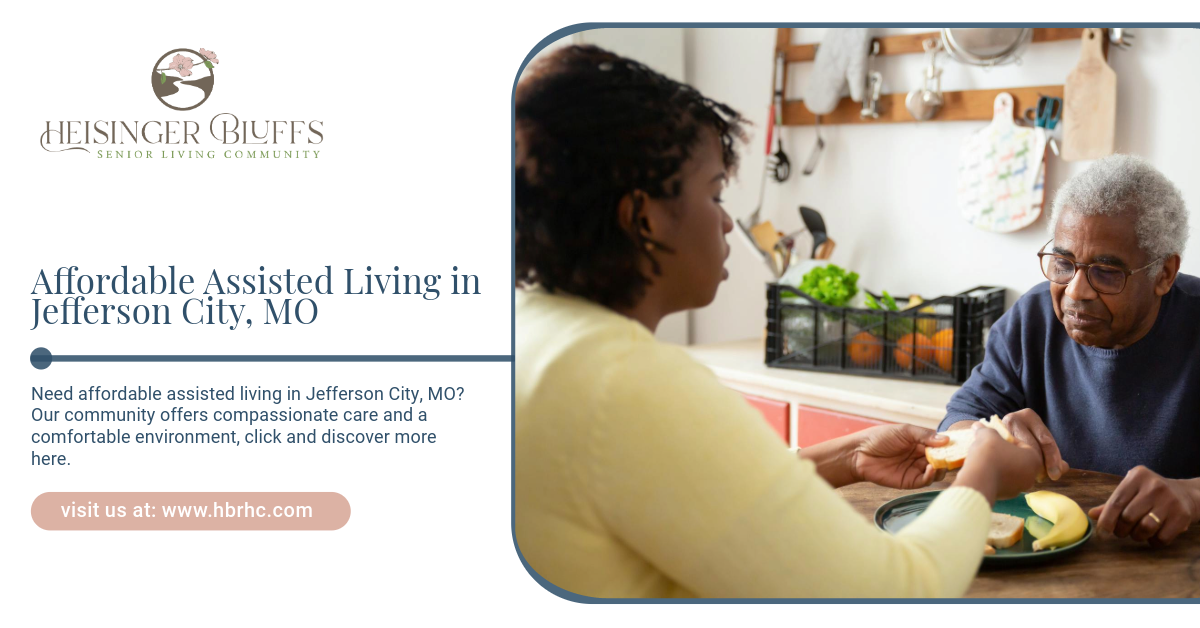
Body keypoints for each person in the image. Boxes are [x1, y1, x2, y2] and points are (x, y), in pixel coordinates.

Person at [515, 45, 1041, 598]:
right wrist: (983, 476)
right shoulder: (625, 382)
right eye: (715, 193)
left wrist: (848, 456)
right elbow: (896, 588)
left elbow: (699, 492)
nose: (724, 222)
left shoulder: (531, 334)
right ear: (642, 218)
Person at [939, 154, 1200, 548]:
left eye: (1107, 272)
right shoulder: (1033, 319)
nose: (1076, 291)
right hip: (1052, 557)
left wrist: (1193, 495)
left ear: (1163, 274)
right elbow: (956, 421)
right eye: (1063, 263)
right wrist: (988, 436)